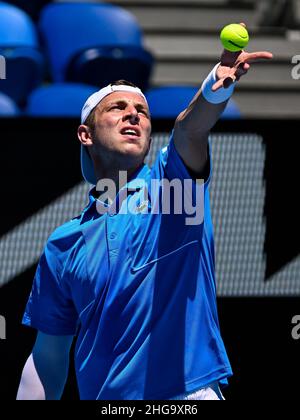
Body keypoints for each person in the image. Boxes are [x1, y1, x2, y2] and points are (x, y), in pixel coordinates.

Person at [17, 25, 273, 400]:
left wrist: (214, 88)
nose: (132, 116)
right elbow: (48, 356)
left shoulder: (175, 187)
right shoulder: (63, 244)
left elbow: (189, 131)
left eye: (141, 111)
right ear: (85, 135)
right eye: (117, 108)